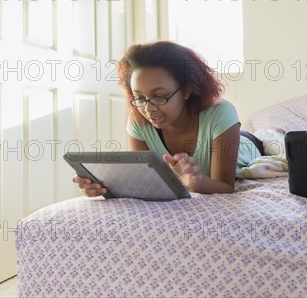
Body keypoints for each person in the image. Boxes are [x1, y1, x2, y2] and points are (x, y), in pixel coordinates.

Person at [73, 41, 262, 195]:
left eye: (159, 96)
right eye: (139, 97)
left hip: (248, 145)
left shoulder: (221, 113)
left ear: (186, 91)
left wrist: (197, 183)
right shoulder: (138, 120)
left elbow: (225, 187)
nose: (148, 108)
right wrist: (106, 187)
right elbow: (144, 182)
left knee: (268, 139)